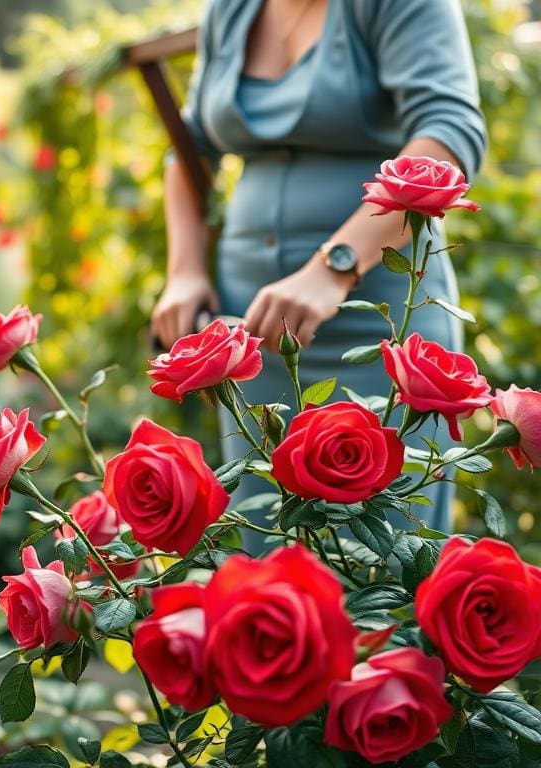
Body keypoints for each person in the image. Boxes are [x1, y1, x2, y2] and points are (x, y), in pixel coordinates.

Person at [152, 0, 487, 537]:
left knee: (384, 559)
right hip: (251, 339)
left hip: (380, 324)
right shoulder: (232, 9)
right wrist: (185, 270)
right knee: (266, 549)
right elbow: (189, 148)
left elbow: (450, 135)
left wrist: (335, 267)